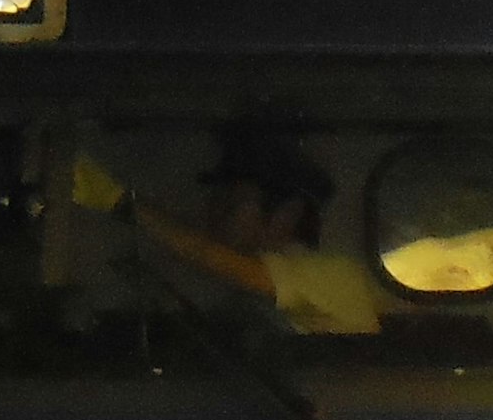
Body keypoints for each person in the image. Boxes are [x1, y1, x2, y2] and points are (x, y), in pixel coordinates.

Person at [75, 126, 377, 336]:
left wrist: (119, 202)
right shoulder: (234, 294)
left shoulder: (336, 276)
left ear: (287, 214)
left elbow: (207, 255)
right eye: (215, 202)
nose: (213, 216)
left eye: (232, 205)